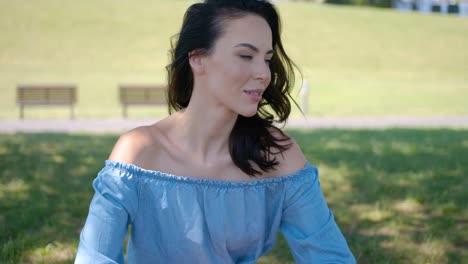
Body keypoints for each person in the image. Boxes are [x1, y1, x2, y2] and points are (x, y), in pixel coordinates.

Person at [75, 0, 355, 263]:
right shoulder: (139, 151)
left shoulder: (278, 154)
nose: (263, 73)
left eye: (267, 59)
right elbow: (95, 256)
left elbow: (330, 256)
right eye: (246, 55)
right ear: (198, 59)